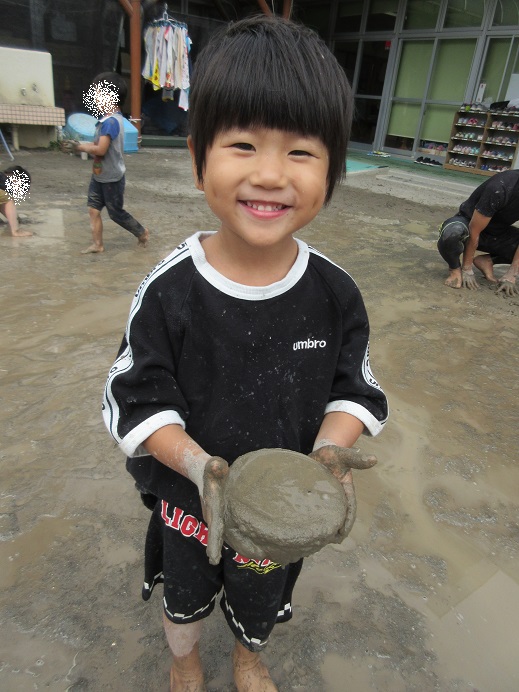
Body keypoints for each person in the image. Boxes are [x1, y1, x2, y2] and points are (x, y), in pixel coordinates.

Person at [102, 16, 388, 692]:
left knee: (261, 590)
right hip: (189, 501)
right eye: (242, 145)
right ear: (198, 158)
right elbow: (135, 400)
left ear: (333, 170)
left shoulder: (335, 293)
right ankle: (184, 658)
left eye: (301, 152)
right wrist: (198, 466)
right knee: (184, 593)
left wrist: (329, 451)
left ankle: (248, 654)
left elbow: (354, 390)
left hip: (280, 510)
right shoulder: (170, 290)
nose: (269, 174)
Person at [76, 72, 149, 253]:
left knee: (115, 213)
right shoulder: (105, 121)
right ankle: (98, 245)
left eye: (98, 93)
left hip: (112, 178)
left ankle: (141, 232)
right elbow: (97, 144)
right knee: (93, 210)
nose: (95, 98)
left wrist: (80, 147)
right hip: (99, 175)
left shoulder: (111, 122)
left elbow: (101, 149)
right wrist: (80, 145)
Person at [437, 169, 519, 295]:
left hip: (497, 233)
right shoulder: (501, 186)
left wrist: (512, 274)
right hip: (467, 224)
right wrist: (467, 269)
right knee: (452, 234)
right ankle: (454, 269)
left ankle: (488, 261)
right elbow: (474, 230)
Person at [0, 165, 32, 237]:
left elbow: (2, 205)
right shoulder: (5, 181)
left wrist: (15, 219)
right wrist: (15, 228)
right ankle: (16, 231)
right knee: (9, 200)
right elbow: (7, 203)